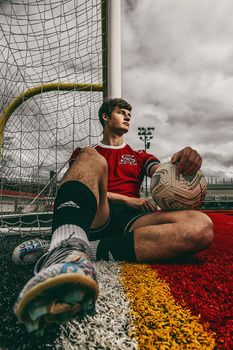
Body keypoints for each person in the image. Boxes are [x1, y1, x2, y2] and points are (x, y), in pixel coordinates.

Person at [14, 98, 213, 335]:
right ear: (105, 117)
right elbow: (73, 186)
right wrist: (125, 198)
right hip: (98, 213)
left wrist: (182, 160)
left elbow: (162, 172)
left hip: (132, 219)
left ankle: (81, 248)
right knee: (90, 158)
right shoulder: (88, 153)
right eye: (121, 112)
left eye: (129, 113)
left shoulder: (140, 156)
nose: (128, 116)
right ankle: (65, 252)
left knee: (201, 227)